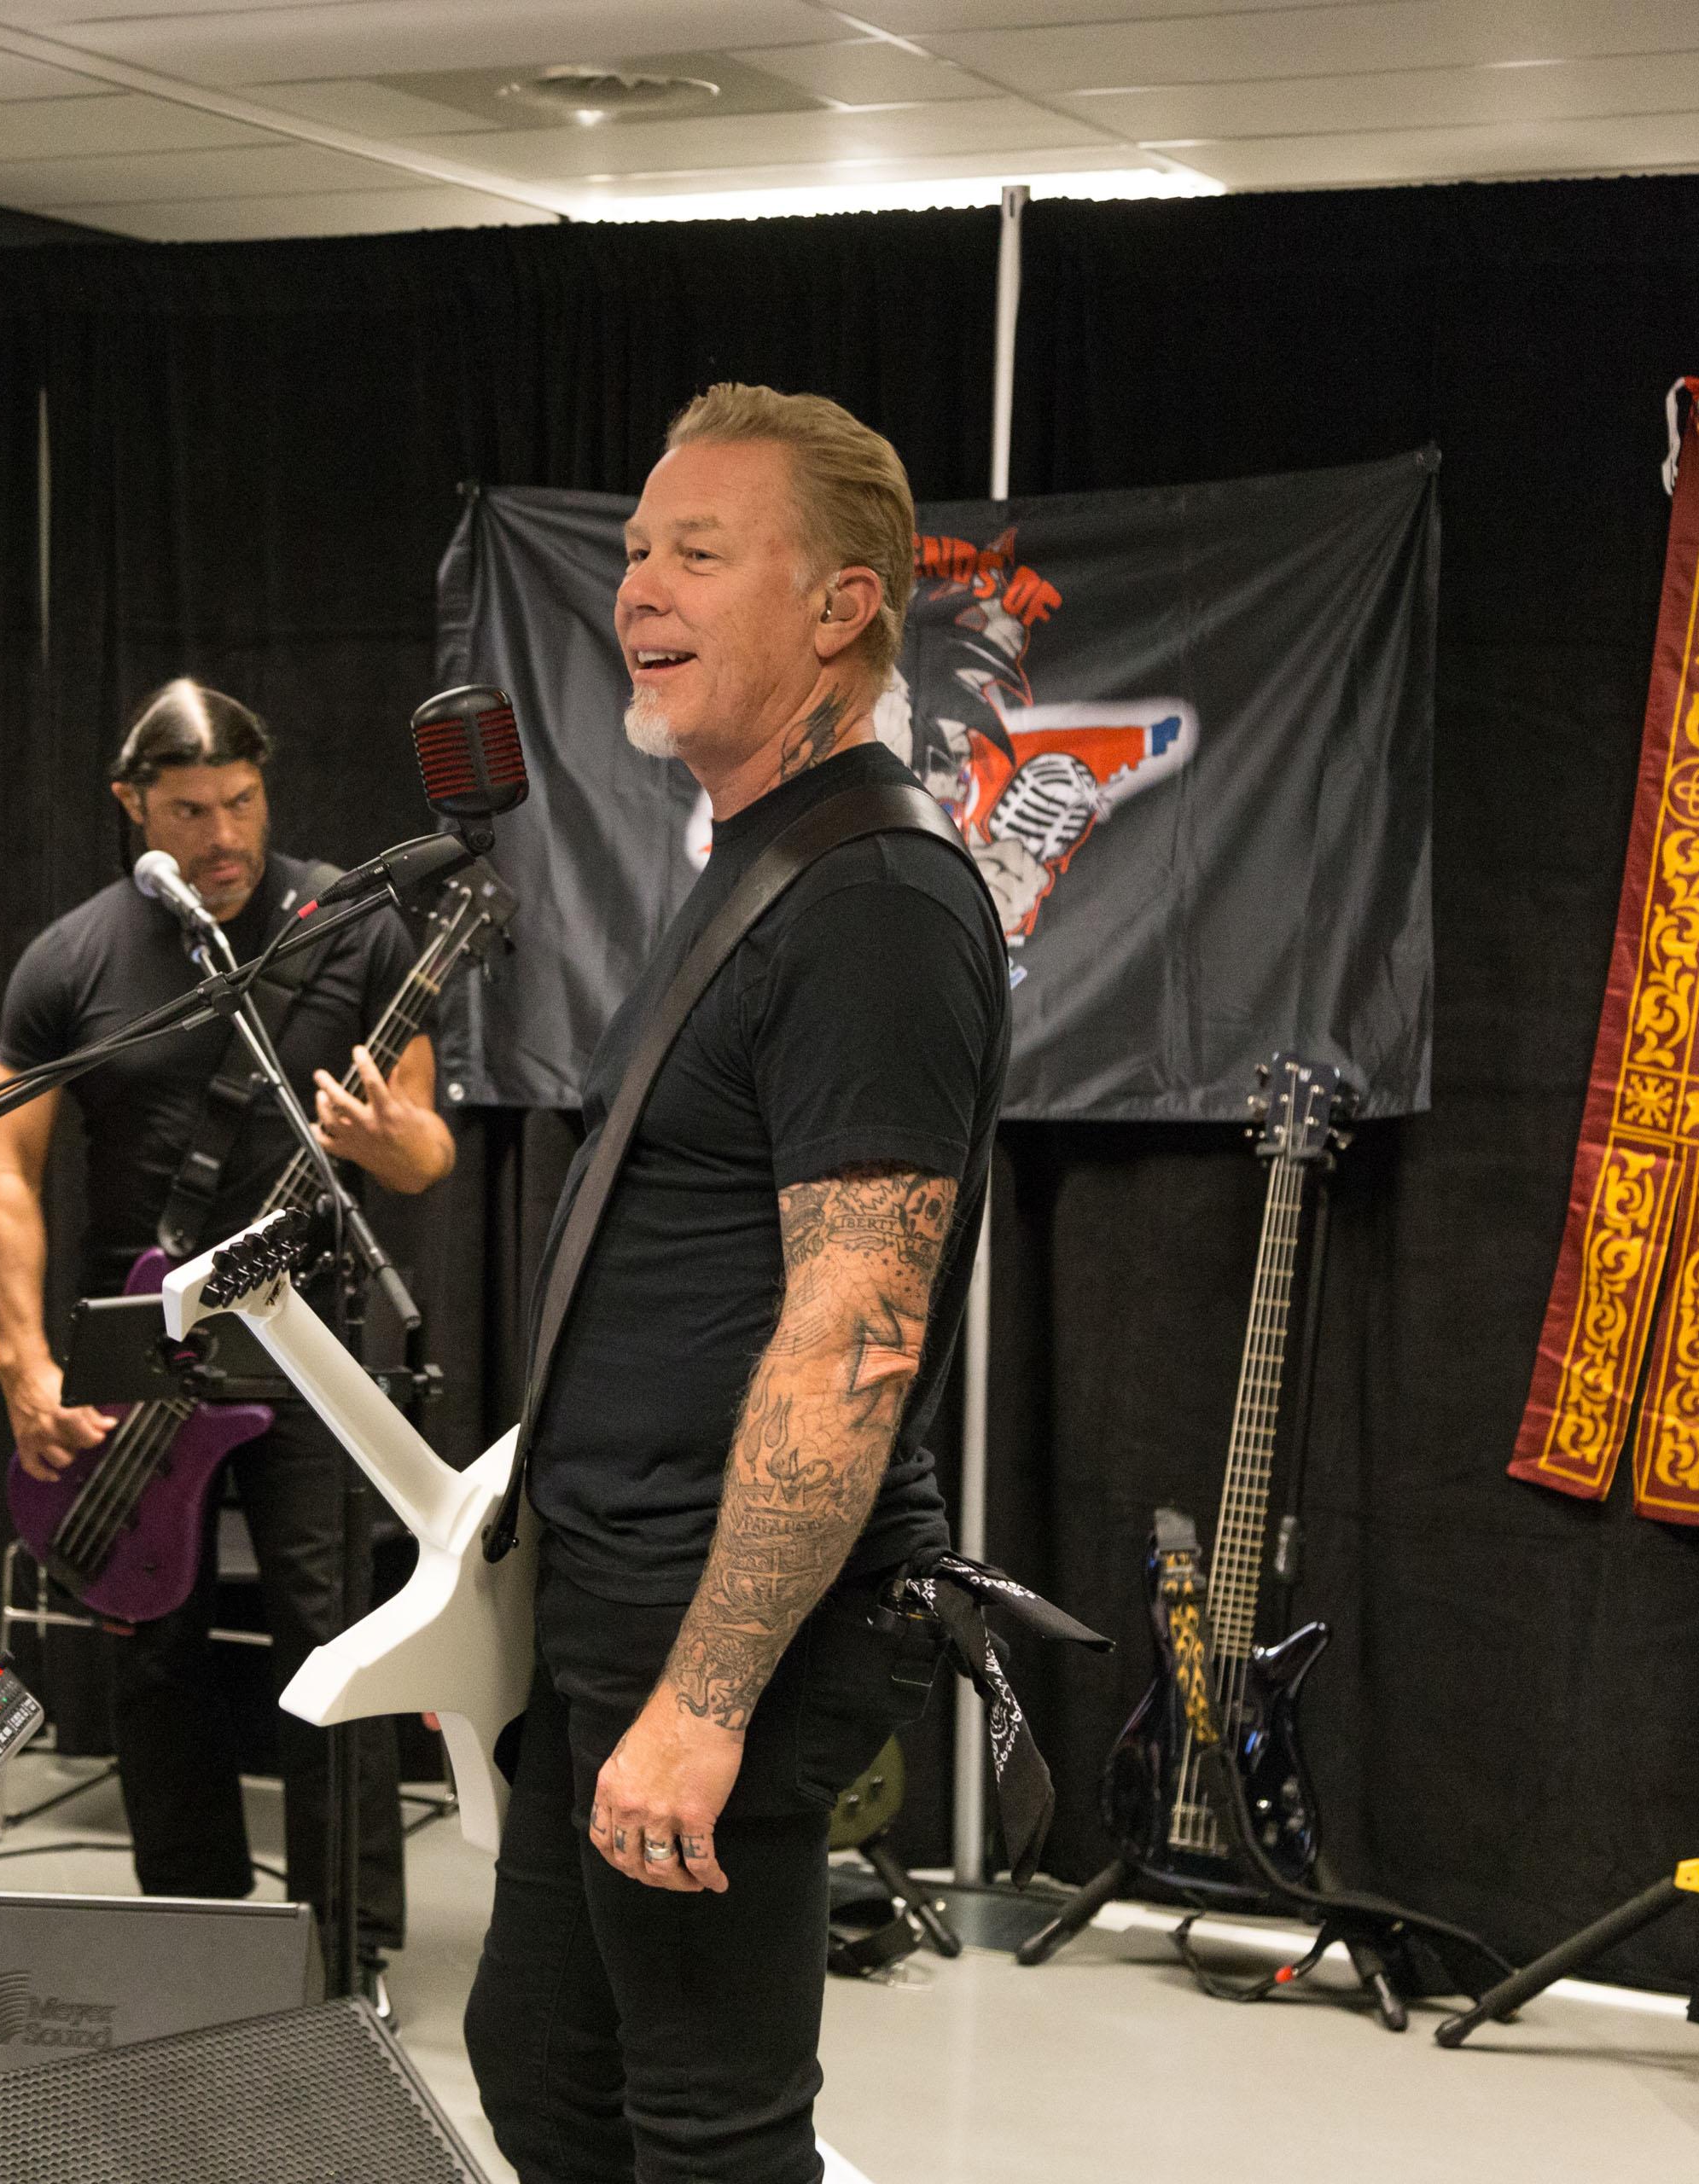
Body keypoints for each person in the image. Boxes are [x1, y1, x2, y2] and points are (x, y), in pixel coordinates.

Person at [462, 386, 1008, 2183]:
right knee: (549, 2067)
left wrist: (704, 1698)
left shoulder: (875, 902)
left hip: (723, 1622)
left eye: (698, 552)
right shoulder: (763, 862)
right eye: (634, 550)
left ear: (842, 607)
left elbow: (856, 1337)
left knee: (709, 2125)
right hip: (623, 1595)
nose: (639, 587)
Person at [0, 677, 456, 1989]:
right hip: (138, 1341)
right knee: (153, 1647)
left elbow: (425, 1153)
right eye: (189, 810)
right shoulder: (71, 959)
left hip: (307, 1345)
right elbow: (3, 1165)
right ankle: (194, 1942)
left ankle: (346, 1958)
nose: (223, 835)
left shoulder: (353, 927)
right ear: (131, 805)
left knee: (332, 1640)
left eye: (241, 802)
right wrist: (22, 1363)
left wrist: (387, 1140)